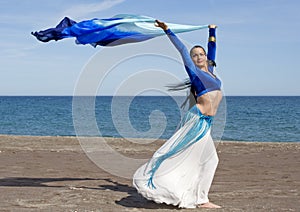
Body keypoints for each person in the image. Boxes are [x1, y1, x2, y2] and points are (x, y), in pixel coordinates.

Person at [133, 20, 222, 209]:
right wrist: (167, 30)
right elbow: (182, 49)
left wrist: (212, 30)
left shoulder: (212, 72)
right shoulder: (195, 73)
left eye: (201, 54)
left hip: (206, 122)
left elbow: (212, 46)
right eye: (195, 55)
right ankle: (201, 199)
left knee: (202, 159)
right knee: (204, 158)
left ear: (206, 57)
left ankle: (198, 196)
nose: (198, 57)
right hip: (196, 120)